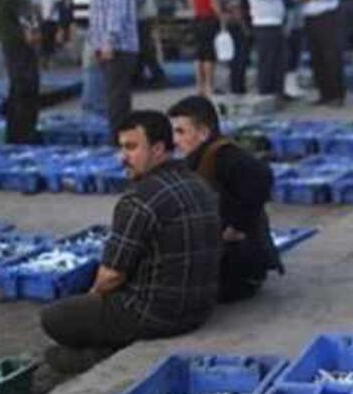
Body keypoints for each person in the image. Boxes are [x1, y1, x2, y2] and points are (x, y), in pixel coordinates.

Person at [41, 111, 221, 374]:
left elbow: (111, 276)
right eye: (122, 147)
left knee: (55, 317)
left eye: (131, 147)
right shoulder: (199, 184)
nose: (122, 157)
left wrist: (91, 300)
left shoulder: (139, 200)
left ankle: (99, 353)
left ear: (158, 149)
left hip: (156, 314)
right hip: (199, 308)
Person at [169, 95, 282, 302]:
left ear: (203, 132)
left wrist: (238, 226)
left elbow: (262, 176)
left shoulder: (224, 156)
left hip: (241, 266)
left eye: (181, 132)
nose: (175, 140)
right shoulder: (198, 157)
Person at [0, 0, 41, 144]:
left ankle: (24, 133)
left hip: (21, 43)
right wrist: (26, 33)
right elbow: (11, 18)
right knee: (23, 88)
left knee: (26, 88)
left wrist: (33, 29)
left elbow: (27, 13)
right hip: (16, 43)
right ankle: (20, 136)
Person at [90, 0, 139, 138]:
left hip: (119, 48)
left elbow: (116, 15)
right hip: (108, 47)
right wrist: (96, 44)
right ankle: (122, 136)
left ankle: (118, 138)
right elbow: (97, 17)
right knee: (116, 98)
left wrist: (108, 42)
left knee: (117, 100)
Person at [303, 0, 346, 106]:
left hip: (327, 16)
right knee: (316, 57)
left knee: (331, 57)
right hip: (309, 17)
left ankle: (337, 95)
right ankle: (325, 94)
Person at [251, 0, 286, 98]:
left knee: (279, 62)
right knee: (267, 62)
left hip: (276, 22)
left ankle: (278, 92)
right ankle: (266, 92)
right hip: (264, 23)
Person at [133, 0, 167, 87]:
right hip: (141, 16)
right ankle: (138, 76)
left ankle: (159, 77)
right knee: (140, 48)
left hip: (142, 16)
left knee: (145, 48)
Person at [191, 0, 220, 96]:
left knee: (199, 55)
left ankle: (199, 86)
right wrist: (221, 17)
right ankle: (209, 86)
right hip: (209, 19)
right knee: (209, 55)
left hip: (197, 19)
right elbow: (214, 4)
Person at [223, 0, 249, 94]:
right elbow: (235, 8)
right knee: (239, 57)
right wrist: (243, 25)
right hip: (236, 24)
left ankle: (237, 85)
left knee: (237, 57)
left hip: (233, 22)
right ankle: (238, 86)